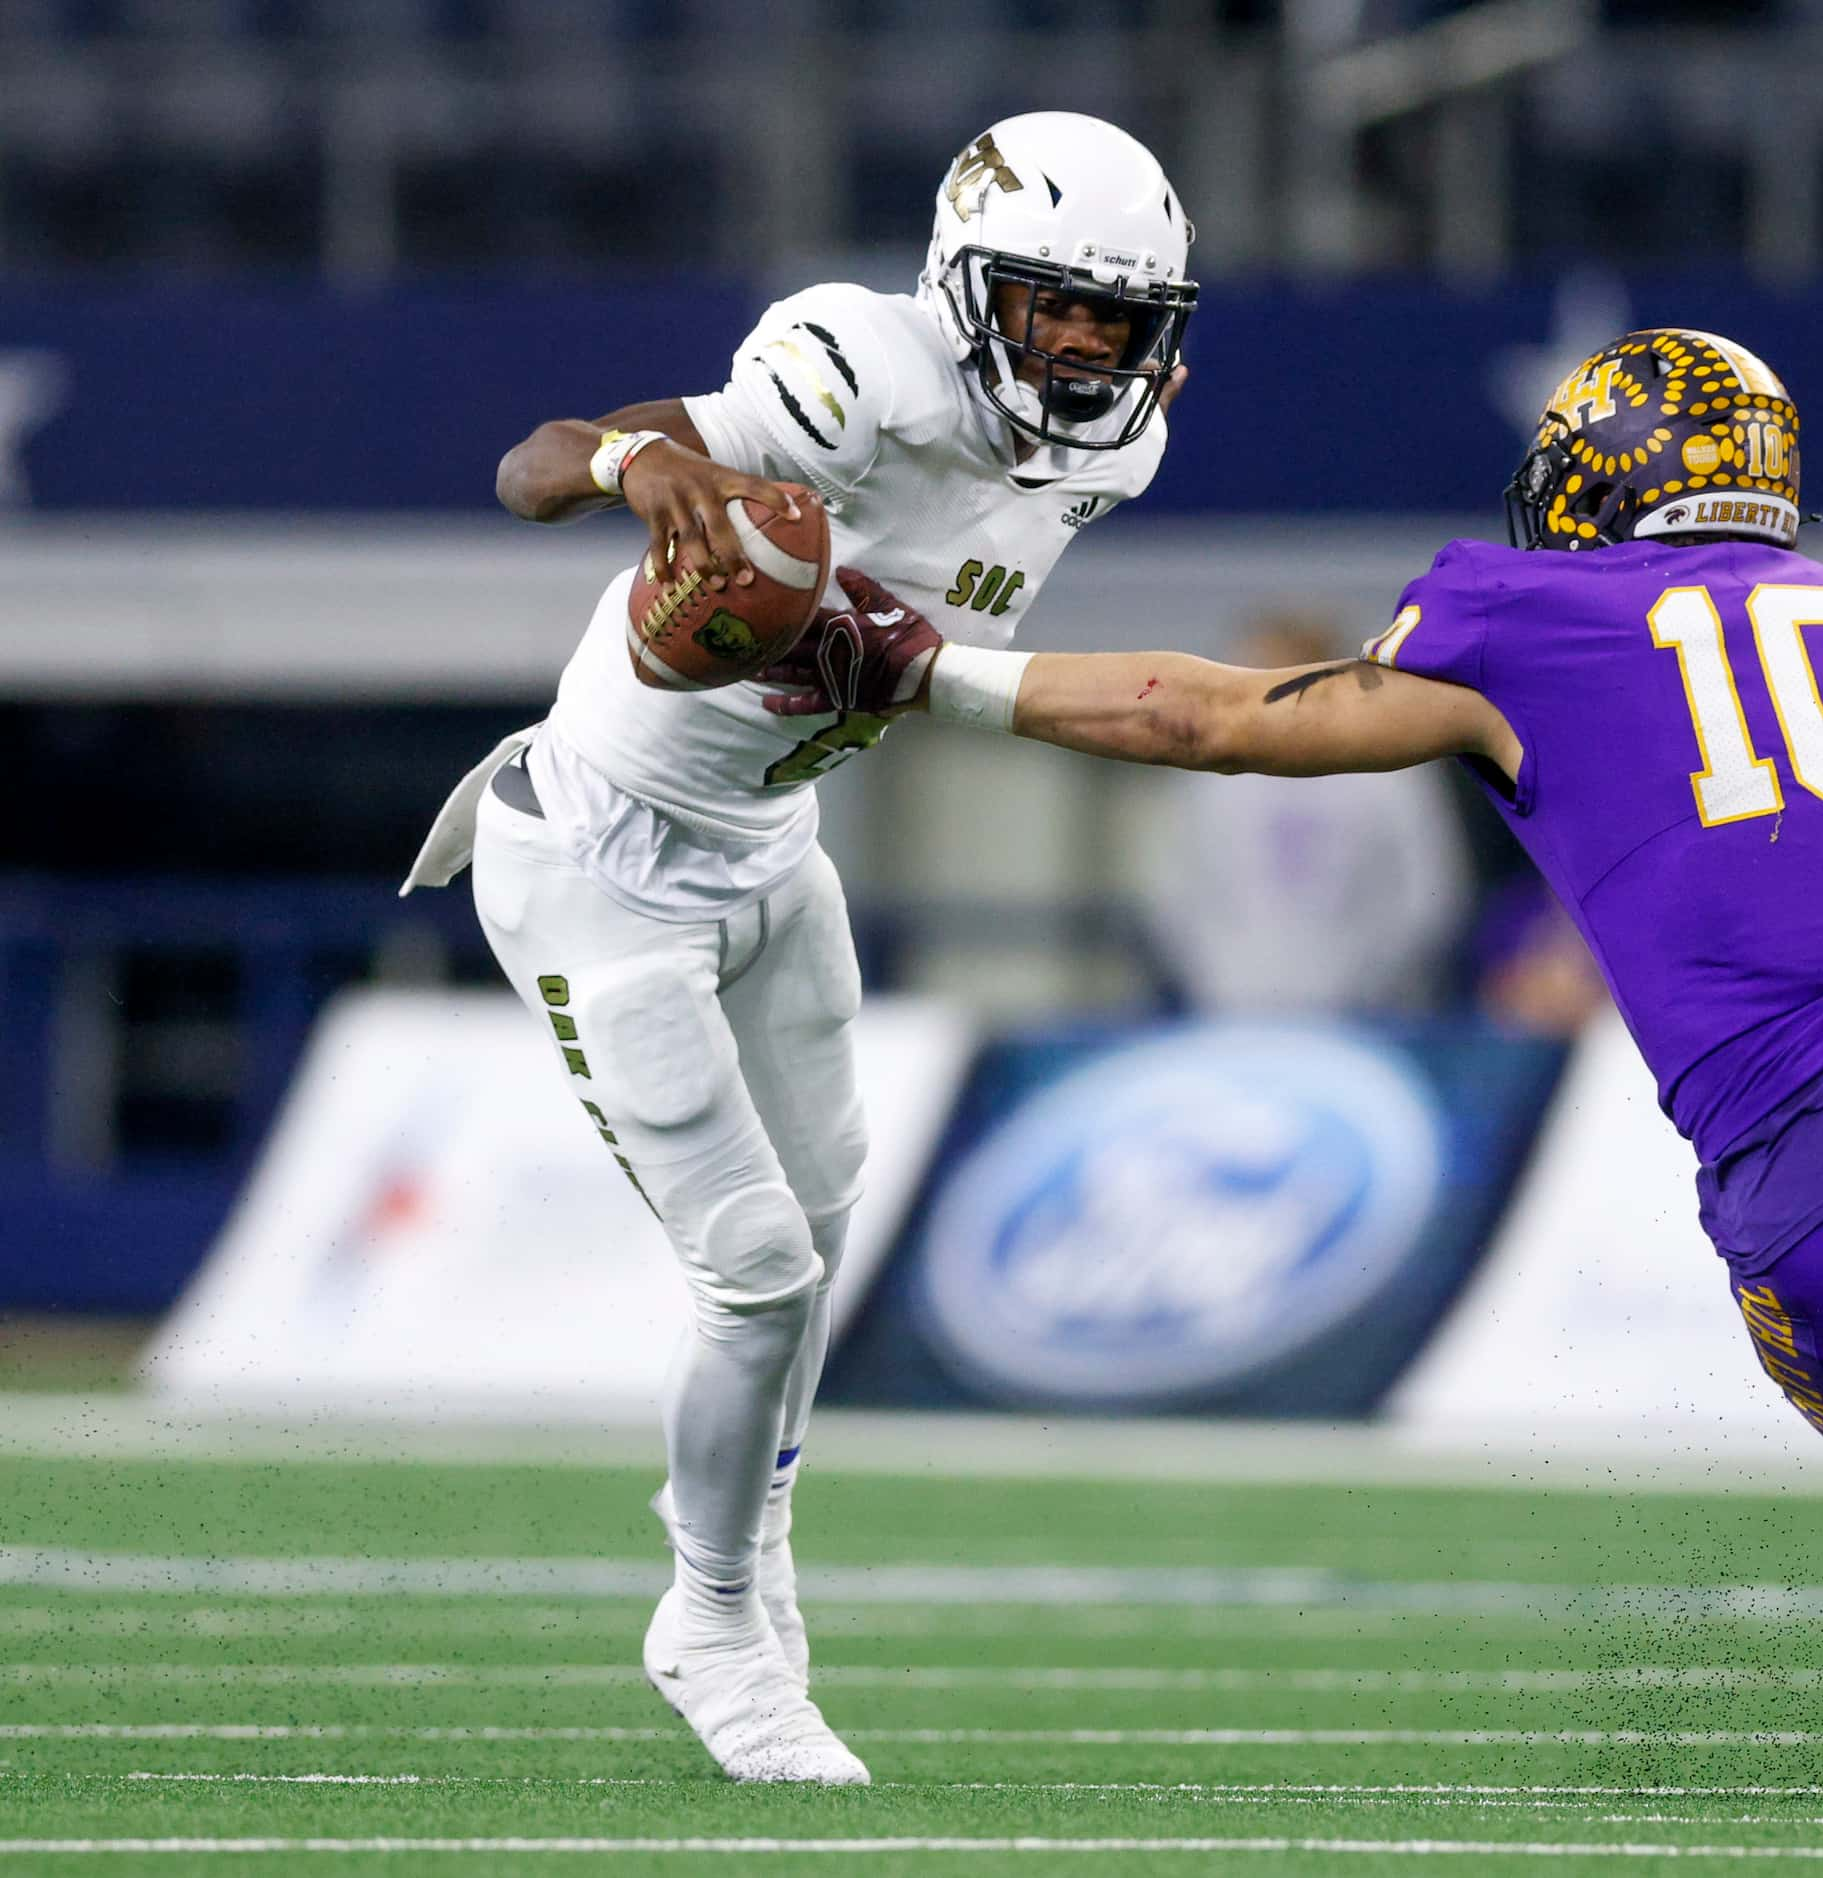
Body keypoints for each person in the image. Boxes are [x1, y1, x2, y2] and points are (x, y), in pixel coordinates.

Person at [775, 330, 1823, 1801]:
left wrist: (924, 668)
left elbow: (1208, 715)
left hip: (1815, 1181)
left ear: (1613, 478)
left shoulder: (1521, 619)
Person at [398, 112, 1198, 1784]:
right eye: (1054, 306)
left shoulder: (1111, 451)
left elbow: (928, 595)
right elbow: (534, 463)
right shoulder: (853, 371)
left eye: (1114, 320)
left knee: (810, 1259)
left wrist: (868, 637)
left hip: (775, 856)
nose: (1082, 345)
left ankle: (750, 1561)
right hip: (599, 856)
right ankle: (706, 1612)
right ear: (967, 285)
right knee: (754, 1267)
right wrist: (651, 471)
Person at [1136, 611, 1473, 1014]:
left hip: (1361, 1014)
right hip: (1229, 1006)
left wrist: (1375, 983)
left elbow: (1426, 897)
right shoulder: (1209, 773)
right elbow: (1169, 892)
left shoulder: (1391, 767)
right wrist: (1216, 979)